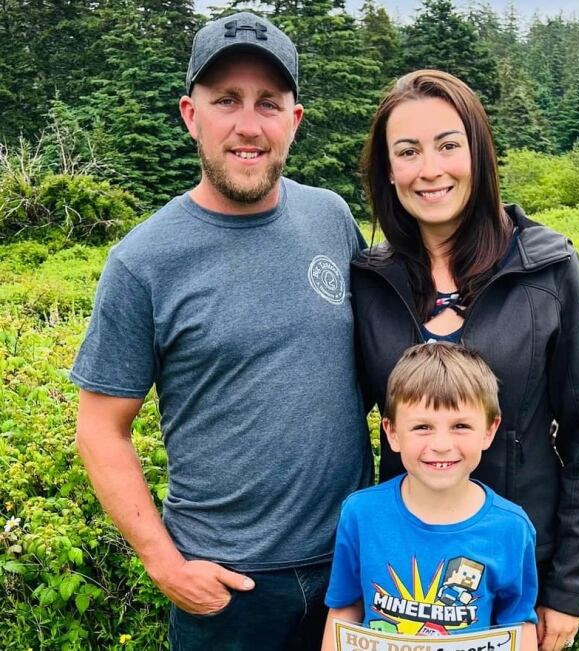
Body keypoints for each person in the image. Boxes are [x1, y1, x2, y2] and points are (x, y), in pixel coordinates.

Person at [70, 12, 371, 650]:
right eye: (226, 100)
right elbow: (100, 427)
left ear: (293, 120)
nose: (247, 124)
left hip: (353, 569)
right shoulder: (143, 261)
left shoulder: (332, 218)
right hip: (229, 587)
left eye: (268, 103)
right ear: (190, 114)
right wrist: (164, 563)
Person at [351, 70, 579, 651]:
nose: (430, 169)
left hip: (516, 571)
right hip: (402, 581)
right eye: (408, 151)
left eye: (448, 144)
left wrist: (567, 590)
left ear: (479, 151)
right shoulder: (370, 280)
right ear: (388, 171)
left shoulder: (547, 268)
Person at [322, 343, 538, 650]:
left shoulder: (512, 528)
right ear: (392, 432)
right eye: (422, 426)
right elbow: (344, 609)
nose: (440, 444)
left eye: (461, 426)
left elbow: (518, 625)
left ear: (489, 431)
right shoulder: (361, 513)